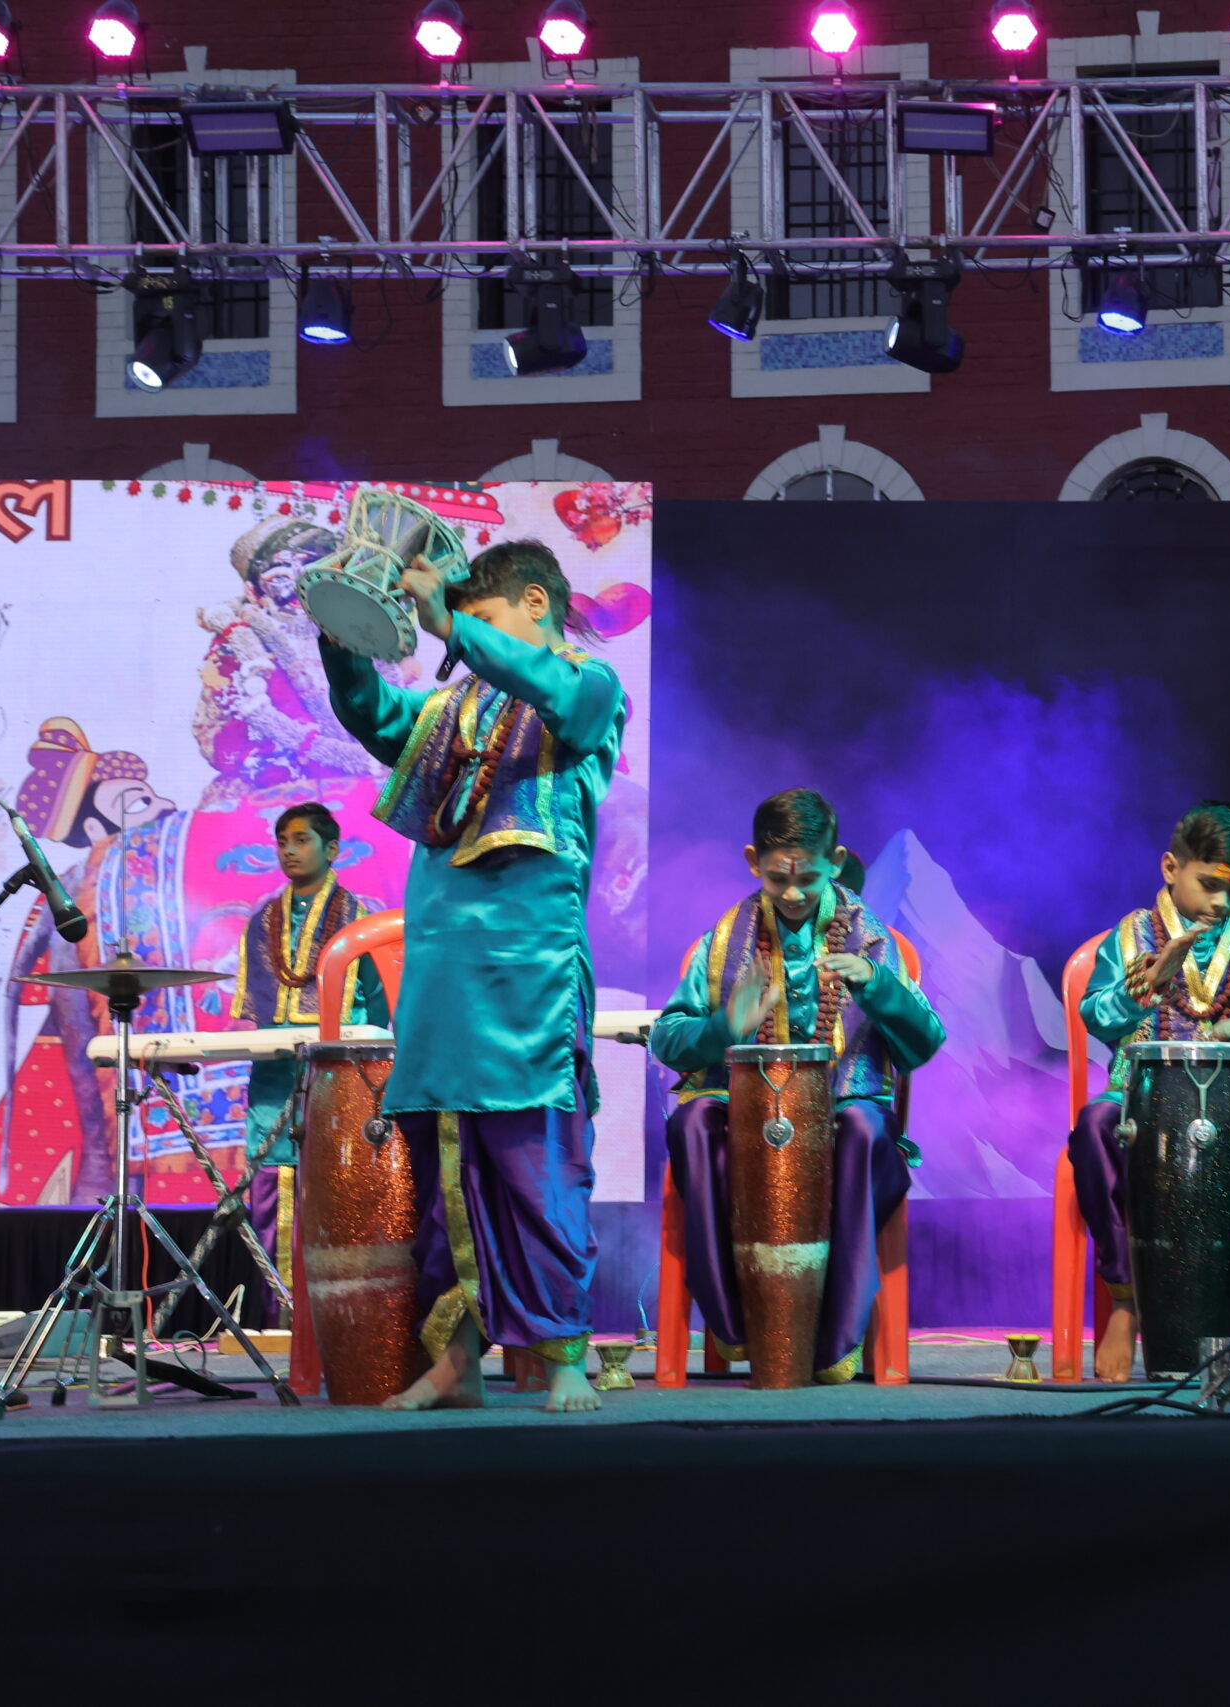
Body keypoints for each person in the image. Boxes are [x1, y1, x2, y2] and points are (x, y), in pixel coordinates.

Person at [318, 540, 624, 1414]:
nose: (466, 636)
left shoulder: (590, 686)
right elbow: (379, 719)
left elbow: (559, 694)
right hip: (443, 960)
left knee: (536, 1163)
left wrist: (450, 623)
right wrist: (345, 638)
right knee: (439, 1161)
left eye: (482, 619)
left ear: (536, 603)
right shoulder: (455, 707)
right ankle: (457, 1358)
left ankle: (562, 1351)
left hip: (529, 966)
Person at [649, 789, 944, 1383]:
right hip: (743, 1111)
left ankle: (833, 1340)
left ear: (835, 861)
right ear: (752, 860)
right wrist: (723, 1026)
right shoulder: (724, 941)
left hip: (842, 1106)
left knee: (863, 1127)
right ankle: (738, 1323)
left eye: (807, 879)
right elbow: (667, 1039)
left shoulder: (871, 939)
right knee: (693, 1121)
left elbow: (926, 1043)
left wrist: (876, 985)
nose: (791, 893)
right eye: (777, 879)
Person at [1067, 801, 1230, 1382]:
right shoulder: (1129, 937)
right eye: (1210, 885)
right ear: (1171, 867)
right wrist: (1147, 984)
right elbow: (1095, 1016)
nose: (1222, 903)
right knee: (1094, 1127)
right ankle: (1126, 1300)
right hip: (1140, 1098)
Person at [228, 801, 387, 1322]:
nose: (289, 851)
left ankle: (344, 1317)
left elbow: (381, 1008)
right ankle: (283, 1318)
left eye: (301, 840)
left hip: (341, 1074)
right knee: (274, 1191)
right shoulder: (261, 923)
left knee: (343, 1184)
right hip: (276, 1078)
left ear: (332, 848)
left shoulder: (361, 920)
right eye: (282, 842)